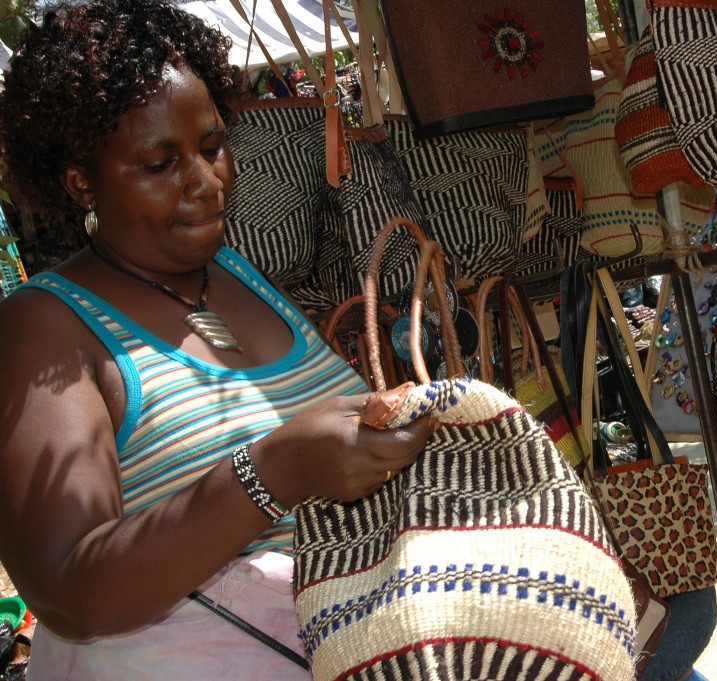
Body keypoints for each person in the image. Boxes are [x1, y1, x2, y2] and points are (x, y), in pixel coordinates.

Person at [0, 1, 436, 678]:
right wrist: (275, 471)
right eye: (159, 163)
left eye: (210, 147)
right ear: (81, 179)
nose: (207, 183)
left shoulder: (239, 273)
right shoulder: (45, 328)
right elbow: (68, 590)